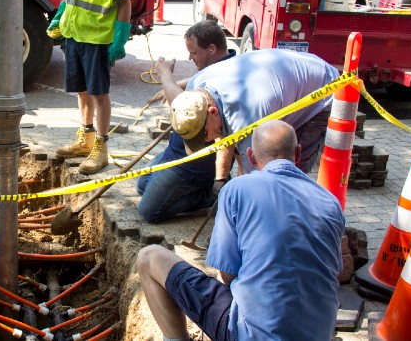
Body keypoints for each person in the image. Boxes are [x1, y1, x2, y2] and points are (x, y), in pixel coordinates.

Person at [137, 120, 345, 341]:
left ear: (251, 156)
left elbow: (228, 275)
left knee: (149, 257)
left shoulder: (236, 189)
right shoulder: (331, 203)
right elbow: (332, 273)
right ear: (298, 153)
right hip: (319, 333)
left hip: (249, 333)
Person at [155, 47, 337, 190]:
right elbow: (226, 135)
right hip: (280, 84)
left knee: (285, 170)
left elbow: (258, 177)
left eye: (204, 135)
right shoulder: (197, 86)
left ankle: (289, 220)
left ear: (211, 112)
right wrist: (222, 178)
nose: (207, 141)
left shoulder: (249, 119)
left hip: (321, 89)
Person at [47, 0, 132, 175]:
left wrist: (120, 37)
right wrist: (60, 16)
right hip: (73, 33)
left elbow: (124, 2)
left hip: (98, 39)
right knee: (81, 90)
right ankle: (86, 137)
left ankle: (101, 147)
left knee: (99, 93)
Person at [137, 21, 235, 223]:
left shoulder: (229, 78)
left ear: (212, 48)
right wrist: (181, 83)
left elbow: (182, 104)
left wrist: (166, 75)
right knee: (141, 186)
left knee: (149, 212)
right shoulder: (218, 67)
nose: (190, 58)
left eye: (195, 53)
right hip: (174, 152)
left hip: (191, 166)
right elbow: (201, 81)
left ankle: (210, 195)